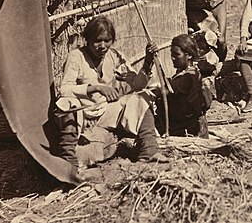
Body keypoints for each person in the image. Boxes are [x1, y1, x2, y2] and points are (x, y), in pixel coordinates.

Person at [56, 15, 169, 173]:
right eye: (97, 40)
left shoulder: (114, 56)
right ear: (87, 39)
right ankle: (69, 162)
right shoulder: (76, 57)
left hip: (105, 114)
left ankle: (149, 150)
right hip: (83, 117)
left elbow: (137, 84)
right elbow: (64, 89)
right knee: (66, 103)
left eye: (107, 40)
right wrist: (96, 88)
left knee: (141, 97)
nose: (102, 46)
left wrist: (148, 61)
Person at [155, 34, 212, 138]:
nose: (172, 58)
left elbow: (164, 92)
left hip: (188, 131)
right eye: (171, 54)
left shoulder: (188, 76)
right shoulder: (187, 72)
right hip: (189, 125)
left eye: (177, 54)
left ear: (189, 55)